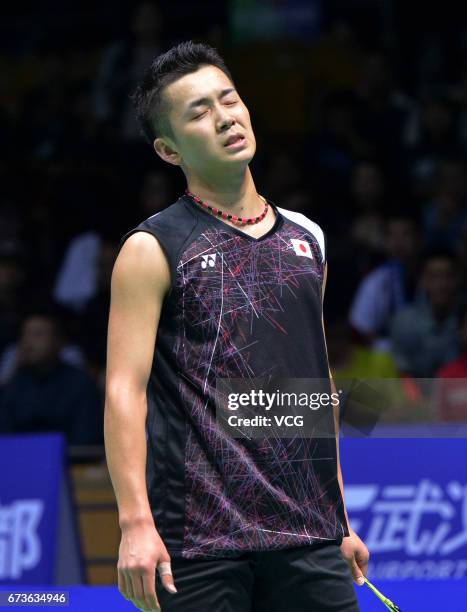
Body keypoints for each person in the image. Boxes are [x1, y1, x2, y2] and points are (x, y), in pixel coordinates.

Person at [104, 41, 368, 612]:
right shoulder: (152, 248)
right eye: (199, 111)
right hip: (200, 540)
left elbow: (311, 390)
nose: (224, 117)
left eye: (230, 100)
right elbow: (124, 389)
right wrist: (134, 525)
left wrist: (338, 516)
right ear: (168, 150)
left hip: (308, 533)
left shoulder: (307, 239)